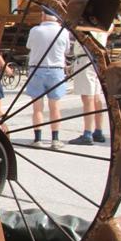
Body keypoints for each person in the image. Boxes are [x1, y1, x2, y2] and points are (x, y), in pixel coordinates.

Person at [25, 11, 70, 149]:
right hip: (56, 70)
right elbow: (67, 50)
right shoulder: (63, 31)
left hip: (37, 68)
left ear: (43, 16)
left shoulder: (35, 30)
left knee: (37, 107)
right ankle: (55, 139)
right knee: (54, 106)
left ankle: (37, 138)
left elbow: (29, 46)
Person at [68, 31, 108, 146]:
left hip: (85, 58)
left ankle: (87, 133)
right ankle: (98, 131)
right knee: (96, 97)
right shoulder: (104, 26)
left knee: (88, 98)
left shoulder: (88, 25)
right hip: (97, 59)